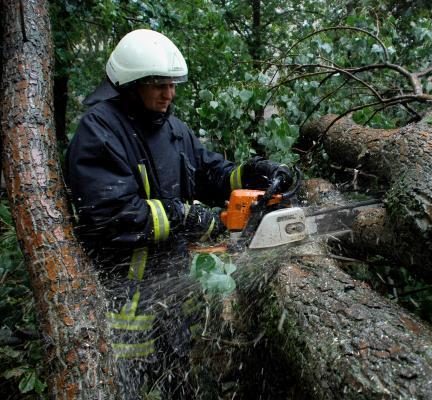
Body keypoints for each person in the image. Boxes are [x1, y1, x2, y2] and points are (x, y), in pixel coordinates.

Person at [66, 29, 292, 398]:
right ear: (131, 84)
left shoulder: (173, 129)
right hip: (123, 300)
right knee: (126, 388)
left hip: (170, 294)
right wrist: (185, 217)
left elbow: (210, 173)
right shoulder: (100, 131)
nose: (168, 94)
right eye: (157, 85)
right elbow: (111, 216)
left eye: (171, 85)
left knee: (175, 381)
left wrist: (254, 173)